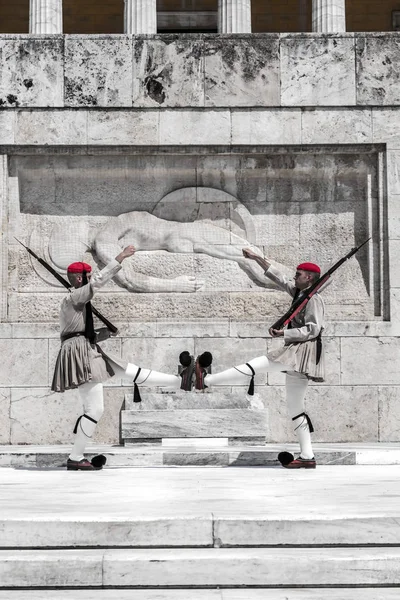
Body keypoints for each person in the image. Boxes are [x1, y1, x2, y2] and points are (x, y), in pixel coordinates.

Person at [51, 245, 181, 471]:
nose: (91, 278)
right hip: (81, 355)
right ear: (79, 278)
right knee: (94, 409)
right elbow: (98, 282)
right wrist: (120, 257)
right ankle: (75, 456)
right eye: (88, 276)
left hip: (87, 349)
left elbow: (79, 333)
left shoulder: (78, 301)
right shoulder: (74, 297)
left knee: (129, 370)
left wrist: (105, 333)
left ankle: (180, 382)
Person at [204, 248, 325, 469]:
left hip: (299, 352)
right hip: (297, 352)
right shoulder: (300, 294)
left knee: (256, 365)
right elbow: (278, 277)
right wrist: (258, 259)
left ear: (309, 278)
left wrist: (284, 334)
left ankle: (206, 380)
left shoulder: (314, 300)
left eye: (298, 274)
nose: (294, 277)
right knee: (295, 406)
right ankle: (307, 456)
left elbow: (314, 329)